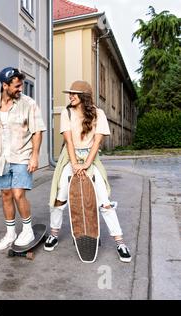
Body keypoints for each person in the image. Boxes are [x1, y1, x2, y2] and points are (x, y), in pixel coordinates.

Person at [44, 80, 132, 263]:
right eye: (70, 93)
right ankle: (53, 234)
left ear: (84, 96)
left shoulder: (98, 113)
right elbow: (68, 142)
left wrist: (86, 165)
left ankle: (120, 242)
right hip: (70, 158)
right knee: (60, 196)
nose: (70, 96)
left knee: (104, 201)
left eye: (74, 94)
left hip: (91, 159)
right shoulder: (66, 112)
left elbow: (97, 142)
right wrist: (75, 165)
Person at [0, 67, 46, 250]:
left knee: (18, 194)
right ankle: (10, 233)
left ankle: (27, 230)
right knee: (6, 195)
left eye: (21, 85)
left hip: (22, 155)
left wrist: (35, 156)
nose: (20, 89)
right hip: (2, 158)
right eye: (16, 86)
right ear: (5, 85)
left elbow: (37, 131)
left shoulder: (28, 103)